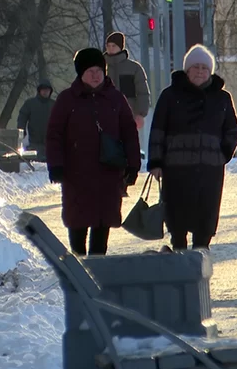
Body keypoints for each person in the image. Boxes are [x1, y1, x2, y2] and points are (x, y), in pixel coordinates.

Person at [46, 48, 142, 256]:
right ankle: (80, 271)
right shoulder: (67, 100)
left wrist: (133, 165)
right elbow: (54, 135)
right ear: (81, 73)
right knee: (77, 226)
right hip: (76, 175)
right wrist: (56, 165)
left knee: (102, 225)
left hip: (108, 175)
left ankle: (98, 272)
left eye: (99, 70)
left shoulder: (116, 99)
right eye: (91, 71)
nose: (96, 75)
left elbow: (129, 132)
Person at [147, 44, 237, 251]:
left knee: (205, 215)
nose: (199, 71)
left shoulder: (222, 98)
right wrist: (156, 161)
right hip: (176, 169)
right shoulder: (170, 96)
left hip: (209, 170)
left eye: (204, 68)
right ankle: (179, 255)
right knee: (177, 216)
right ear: (186, 70)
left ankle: (200, 256)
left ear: (210, 71)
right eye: (195, 67)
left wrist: (222, 153)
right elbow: (158, 130)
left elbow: (232, 129)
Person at [104, 32, 150, 196]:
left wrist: (140, 114)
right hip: (105, 116)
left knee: (126, 148)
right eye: (108, 46)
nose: (110, 49)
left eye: (113, 46)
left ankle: (124, 179)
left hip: (127, 115)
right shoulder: (102, 68)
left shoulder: (133, 68)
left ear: (120, 47)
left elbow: (142, 93)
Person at [17, 79, 55, 161]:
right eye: (43, 90)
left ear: (50, 91)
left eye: (47, 90)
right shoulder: (30, 103)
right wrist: (21, 130)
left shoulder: (54, 105)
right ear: (39, 91)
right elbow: (22, 116)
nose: (45, 92)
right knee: (36, 162)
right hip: (34, 141)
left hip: (50, 142)